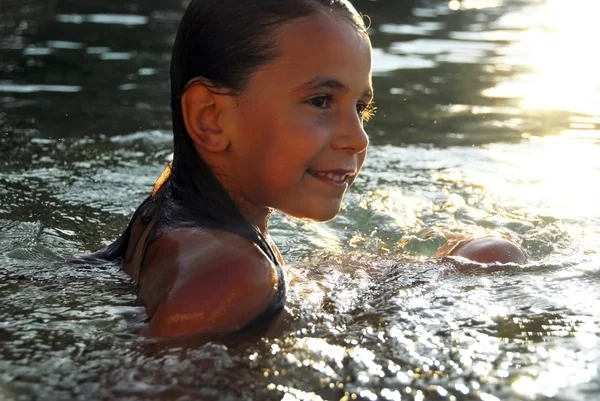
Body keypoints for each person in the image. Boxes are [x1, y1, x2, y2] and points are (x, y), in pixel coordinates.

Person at [91, 0, 526, 339]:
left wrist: (415, 276)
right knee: (499, 259)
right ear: (211, 118)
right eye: (321, 101)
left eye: (360, 108)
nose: (357, 139)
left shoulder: (165, 214)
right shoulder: (233, 276)